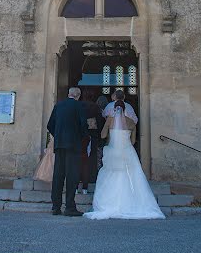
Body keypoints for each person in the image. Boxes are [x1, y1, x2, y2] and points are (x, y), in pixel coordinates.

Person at [84, 100, 165, 220]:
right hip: (127, 151)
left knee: (111, 175)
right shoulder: (131, 122)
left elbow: (102, 135)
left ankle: (111, 202)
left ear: (114, 109)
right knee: (130, 176)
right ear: (125, 109)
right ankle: (130, 202)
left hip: (113, 150)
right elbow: (132, 141)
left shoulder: (110, 120)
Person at [47, 87, 88, 216]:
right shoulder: (79, 106)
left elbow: (50, 125)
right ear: (78, 95)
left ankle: (55, 206)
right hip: (73, 146)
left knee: (58, 175)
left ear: (68, 94)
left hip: (59, 145)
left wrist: (58, 136)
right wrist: (80, 138)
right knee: (72, 176)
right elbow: (83, 125)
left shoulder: (58, 105)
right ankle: (69, 207)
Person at [80, 93, 105, 193]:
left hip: (81, 136)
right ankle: (91, 177)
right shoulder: (95, 107)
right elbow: (99, 123)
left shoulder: (80, 106)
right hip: (93, 136)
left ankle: (79, 180)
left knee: (80, 159)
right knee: (92, 158)